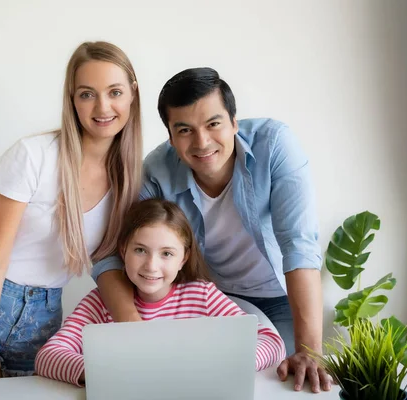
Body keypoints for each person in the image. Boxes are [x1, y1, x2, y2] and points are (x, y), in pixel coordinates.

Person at [92, 67, 331, 393]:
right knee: (202, 384)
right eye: (185, 130)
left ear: (234, 122)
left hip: (279, 295)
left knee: (284, 381)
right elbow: (111, 252)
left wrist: (309, 350)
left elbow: (298, 243)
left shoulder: (274, 145)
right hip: (209, 297)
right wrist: (136, 334)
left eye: (214, 124)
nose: (202, 142)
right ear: (171, 138)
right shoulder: (156, 172)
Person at [0, 41, 142, 400]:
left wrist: (138, 332)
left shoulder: (132, 179)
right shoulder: (33, 156)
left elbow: (106, 261)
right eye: (87, 94)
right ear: (72, 99)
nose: (103, 107)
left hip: (43, 314)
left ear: (132, 95)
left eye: (115, 92)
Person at [35, 199, 286, 386]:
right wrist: (101, 371)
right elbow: (47, 357)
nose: (151, 266)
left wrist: (229, 364)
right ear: (123, 251)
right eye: (140, 250)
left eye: (167, 253)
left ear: (183, 258)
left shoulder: (202, 296)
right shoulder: (100, 303)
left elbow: (272, 342)